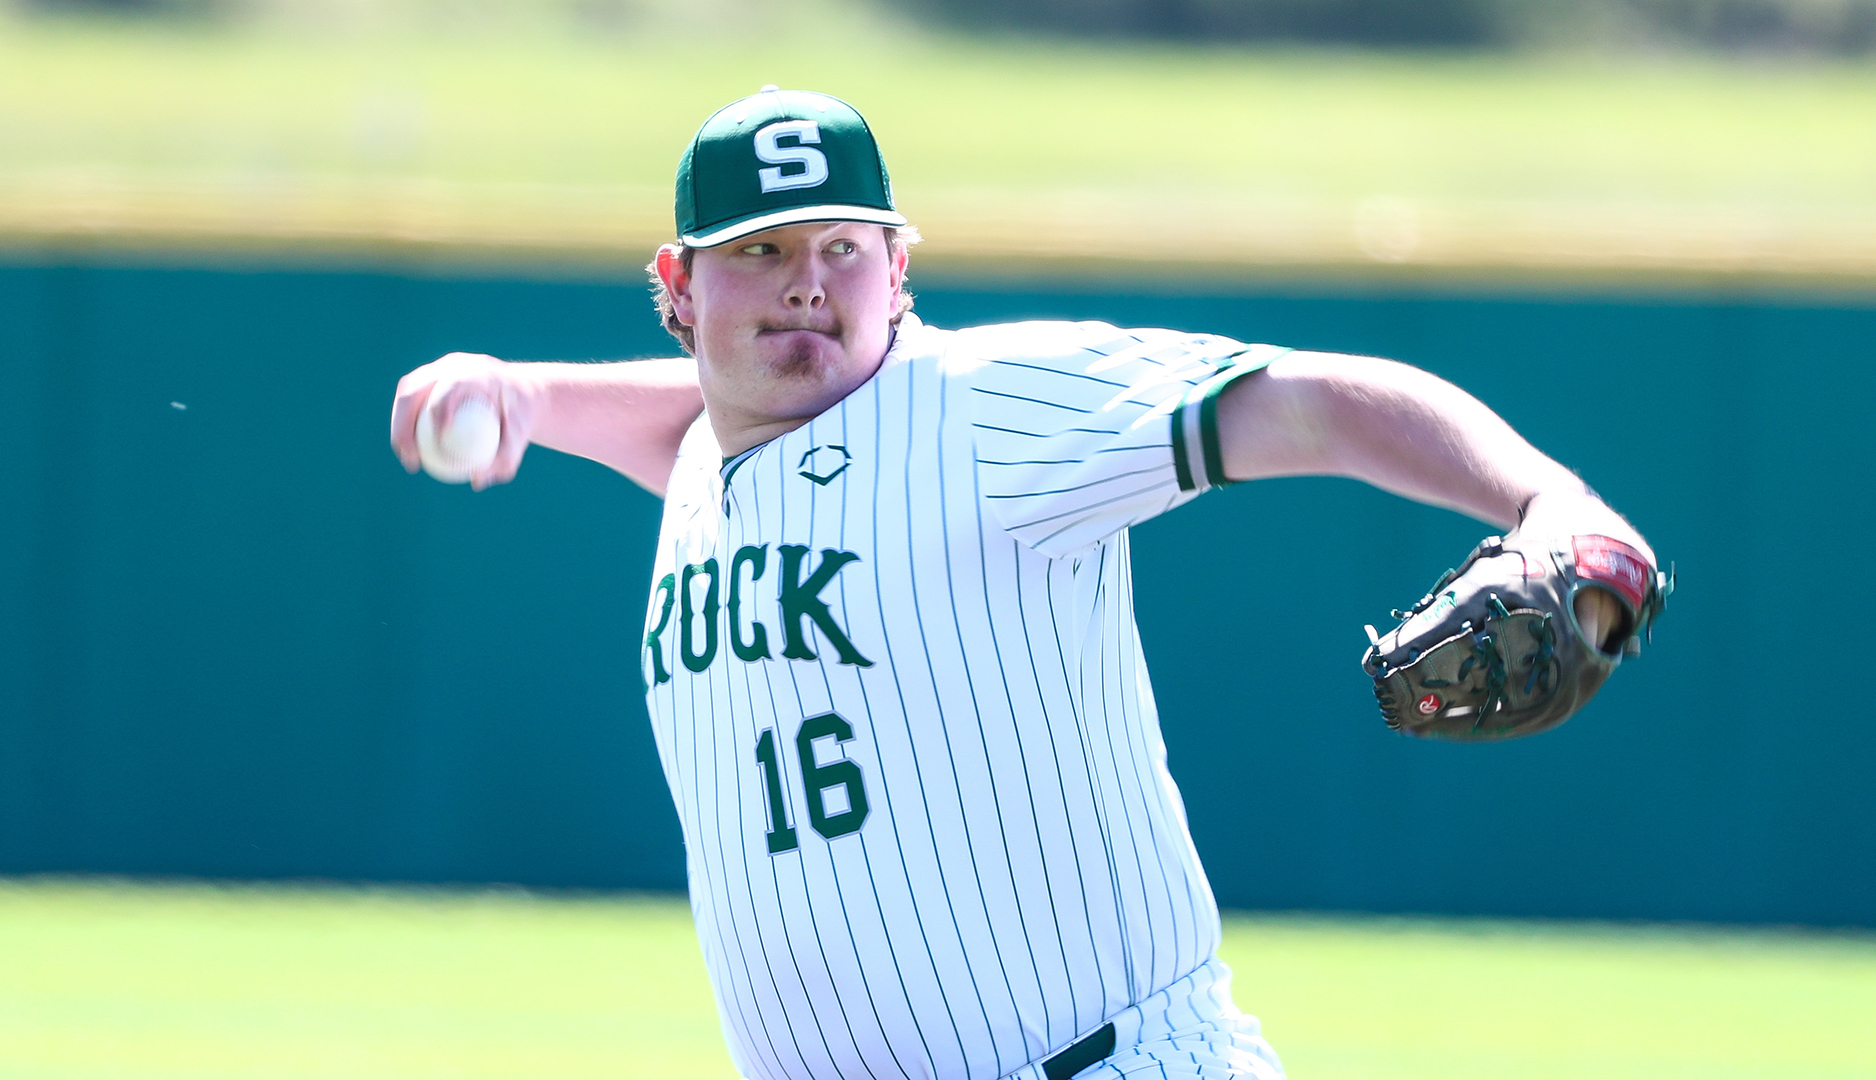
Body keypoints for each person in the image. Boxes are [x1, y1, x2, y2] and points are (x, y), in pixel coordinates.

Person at [391, 87, 1654, 1080]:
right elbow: (696, 420)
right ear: (677, 285)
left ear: (900, 268)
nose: (807, 281)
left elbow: (1315, 402)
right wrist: (527, 395)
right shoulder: (709, 460)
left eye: (842, 246)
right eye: (761, 249)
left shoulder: (984, 408)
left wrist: (1554, 507)